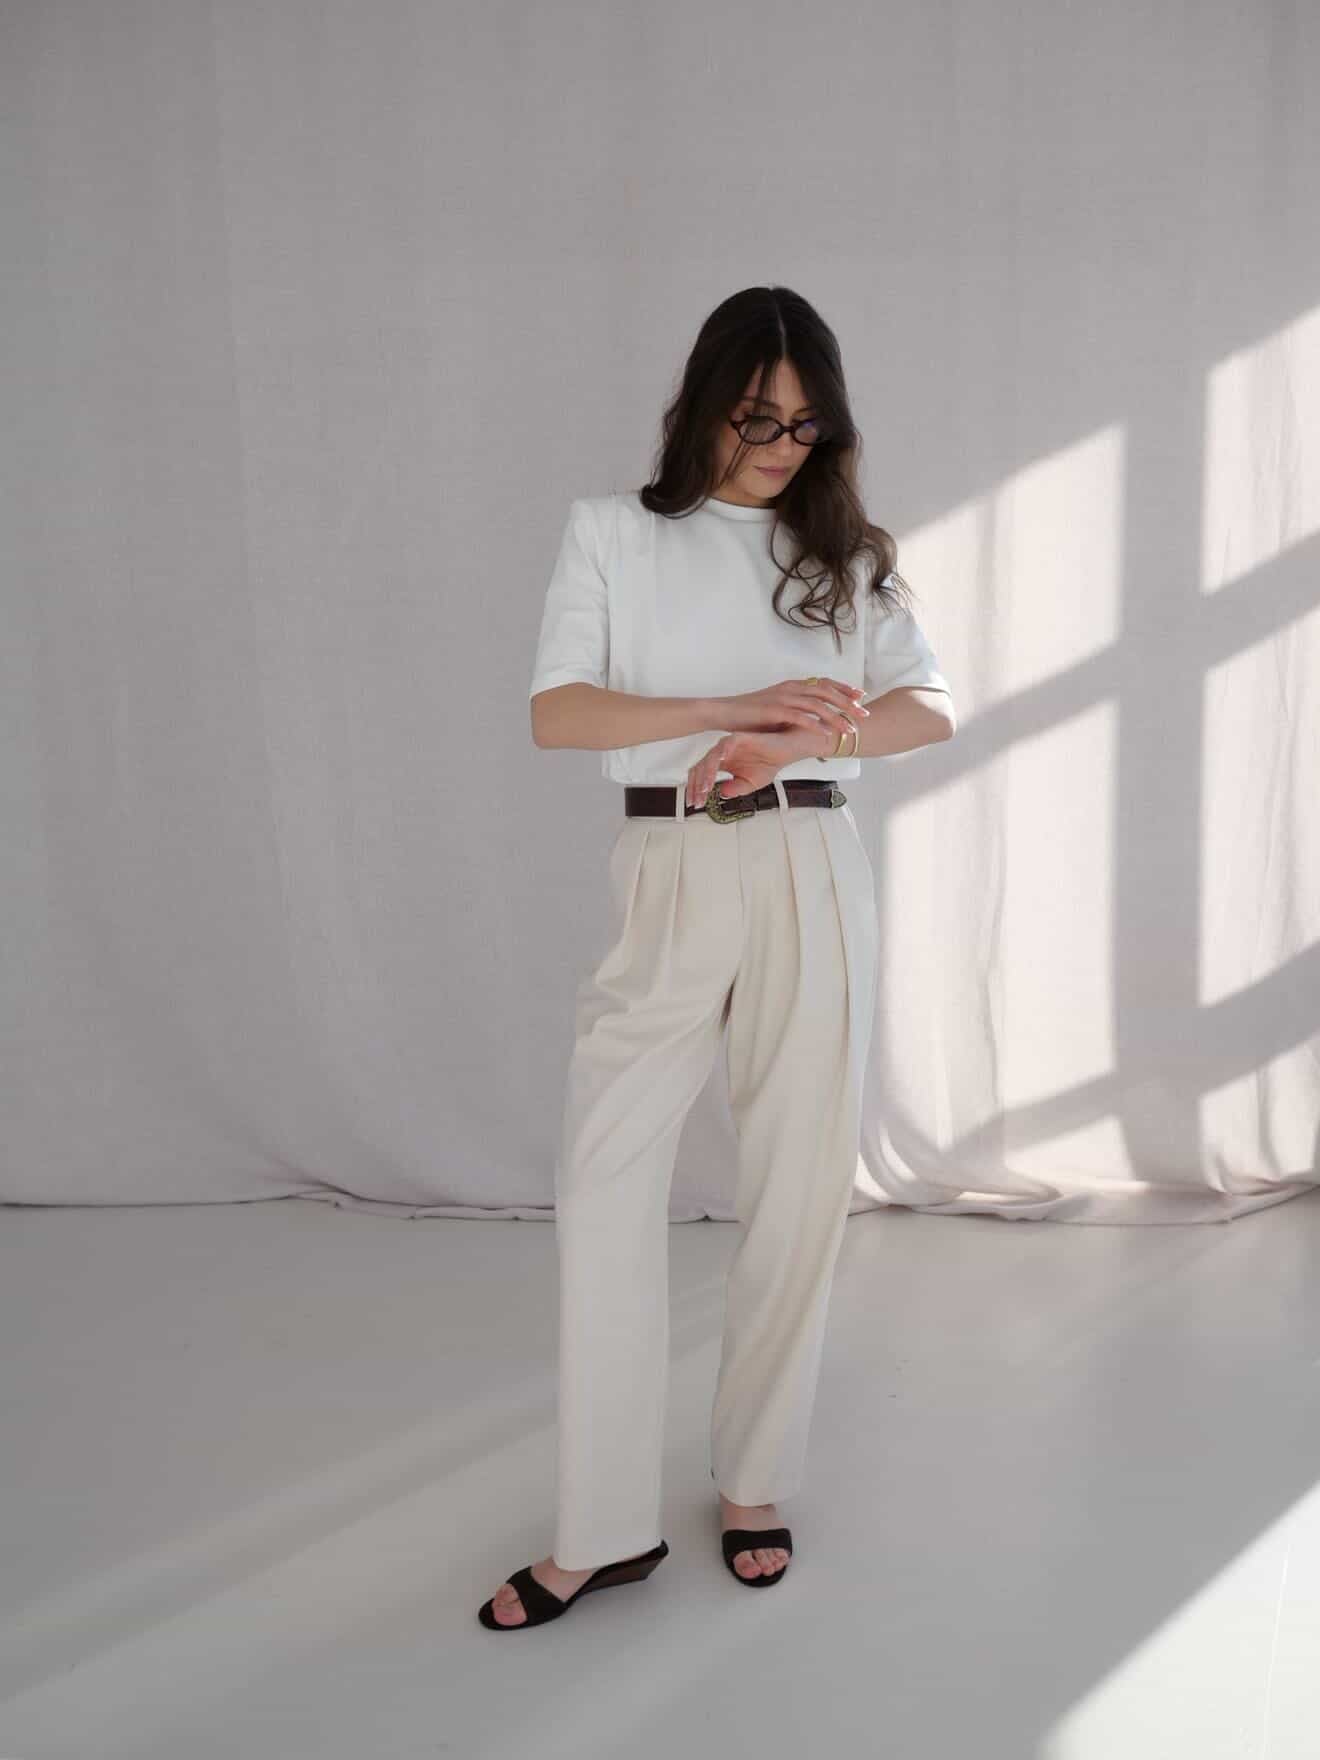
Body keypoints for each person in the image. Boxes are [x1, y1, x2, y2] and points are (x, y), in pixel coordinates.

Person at [478, 285, 956, 1630]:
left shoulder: (842, 554)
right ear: (701, 405)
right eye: (756, 418)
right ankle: (602, 1530)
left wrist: (798, 741)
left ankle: (756, 1482)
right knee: (604, 1179)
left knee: (800, 1181)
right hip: (670, 861)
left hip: (811, 858)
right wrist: (730, 705)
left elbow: (931, 706)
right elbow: (559, 715)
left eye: (804, 426)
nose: (779, 448)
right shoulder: (613, 533)